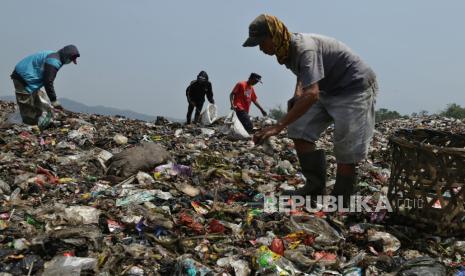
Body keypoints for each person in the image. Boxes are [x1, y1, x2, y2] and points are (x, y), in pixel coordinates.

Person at [244, 14, 378, 206]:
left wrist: (278, 126)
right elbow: (305, 76)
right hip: (326, 88)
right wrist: (298, 94)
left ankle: (341, 200)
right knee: (299, 129)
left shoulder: (304, 48)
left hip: (353, 88)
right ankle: (315, 188)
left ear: (273, 35)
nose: (261, 48)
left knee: (346, 147)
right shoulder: (286, 51)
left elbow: (312, 93)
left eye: (262, 42)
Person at [10, 45, 80, 129]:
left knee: (38, 103)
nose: (70, 62)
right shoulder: (54, 61)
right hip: (23, 77)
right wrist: (54, 100)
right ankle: (30, 128)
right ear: (66, 56)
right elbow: (48, 82)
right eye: (71, 59)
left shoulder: (53, 54)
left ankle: (36, 124)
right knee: (26, 104)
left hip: (30, 78)